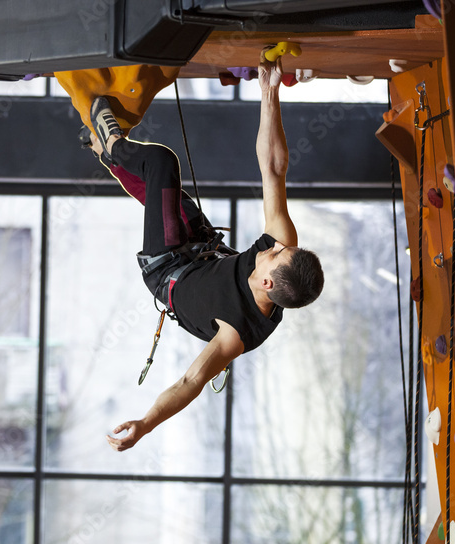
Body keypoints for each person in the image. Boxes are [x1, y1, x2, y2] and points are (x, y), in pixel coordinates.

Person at [87, 55, 325, 452]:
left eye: (276, 255)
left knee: (161, 161)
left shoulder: (238, 332)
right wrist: (269, 94)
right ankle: (104, 151)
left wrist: (145, 424)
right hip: (202, 249)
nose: (276, 246)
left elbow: (190, 382)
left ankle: (112, 146)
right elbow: (273, 169)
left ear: (267, 283)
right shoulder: (284, 249)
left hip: (168, 272)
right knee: (162, 191)